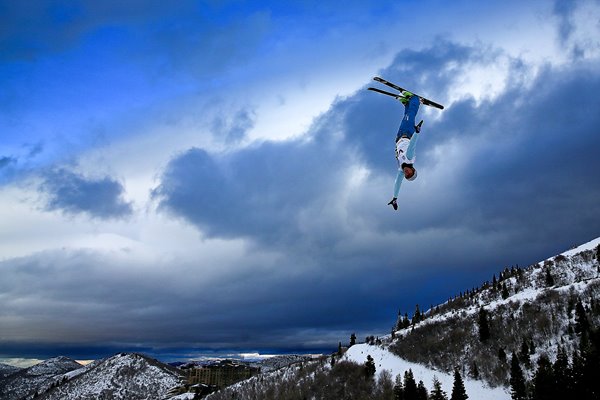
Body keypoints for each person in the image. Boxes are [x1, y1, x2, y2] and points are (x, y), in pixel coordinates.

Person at [387, 92, 423, 210]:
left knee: (407, 116)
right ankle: (415, 99)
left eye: (407, 175)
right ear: (413, 169)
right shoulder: (410, 158)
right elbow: (413, 145)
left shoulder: (400, 170)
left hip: (399, 136)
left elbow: (398, 183)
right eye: (410, 172)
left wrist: (395, 198)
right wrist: (417, 132)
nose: (407, 172)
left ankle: (406, 103)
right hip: (408, 133)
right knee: (411, 115)